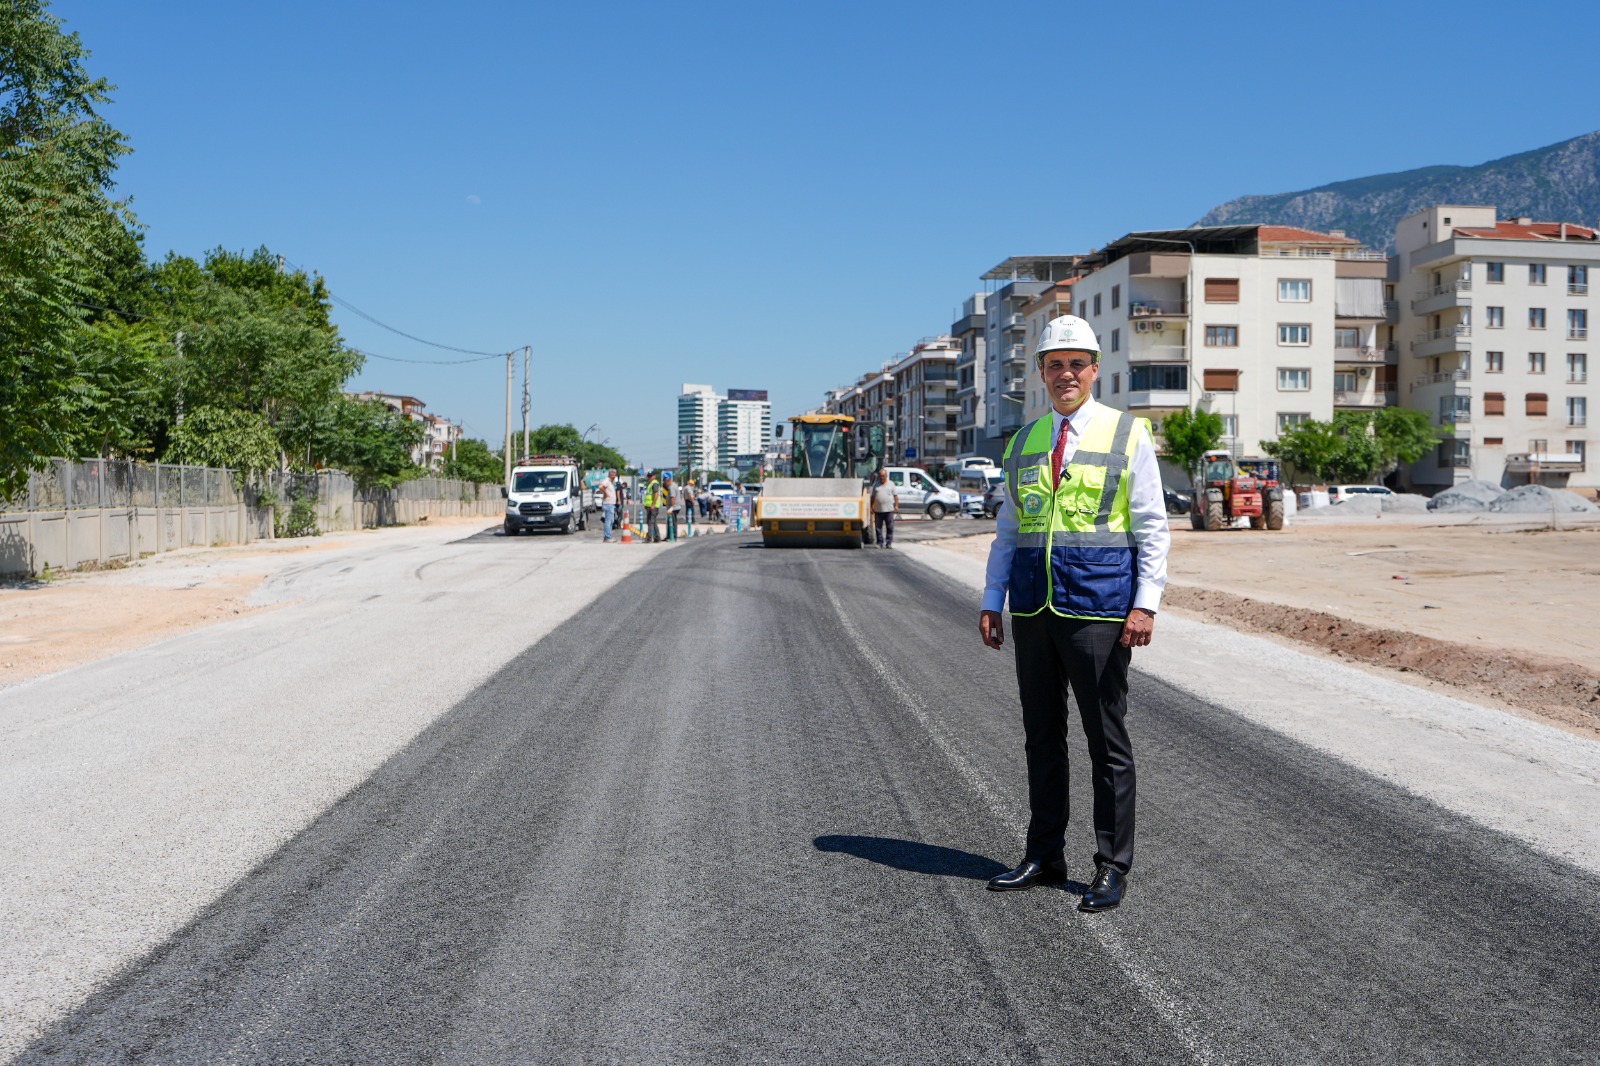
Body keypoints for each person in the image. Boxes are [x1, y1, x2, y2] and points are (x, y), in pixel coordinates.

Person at [979, 314, 1169, 913]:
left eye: (1076, 364)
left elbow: (1152, 527)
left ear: (1095, 370)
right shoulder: (1023, 442)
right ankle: (1044, 854)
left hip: (1100, 609)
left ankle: (1112, 866)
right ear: (1040, 372)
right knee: (1042, 737)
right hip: (1034, 607)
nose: (1066, 374)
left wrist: (1145, 604)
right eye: (1054, 364)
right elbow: (1009, 531)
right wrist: (992, 599)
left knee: (1106, 741)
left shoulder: (1127, 434)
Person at [868, 467, 898, 548]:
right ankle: (879, 542)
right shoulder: (876, 485)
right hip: (878, 510)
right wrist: (871, 507)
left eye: (883, 476)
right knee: (878, 528)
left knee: (890, 527)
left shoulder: (891, 484)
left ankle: (889, 543)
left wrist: (897, 506)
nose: (882, 477)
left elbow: (895, 496)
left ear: (886, 476)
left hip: (889, 510)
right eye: (881, 476)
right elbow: (873, 497)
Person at [597, 469, 618, 542]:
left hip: (611, 504)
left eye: (615, 474)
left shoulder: (611, 482)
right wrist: (606, 494)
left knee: (611, 521)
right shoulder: (607, 481)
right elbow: (601, 487)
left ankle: (609, 536)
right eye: (612, 473)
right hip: (608, 503)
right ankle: (607, 537)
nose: (614, 475)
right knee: (608, 521)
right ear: (609, 474)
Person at [643, 472, 664, 543]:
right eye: (648, 476)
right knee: (653, 522)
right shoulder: (651, 484)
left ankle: (649, 538)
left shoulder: (654, 483)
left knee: (650, 522)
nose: (649, 477)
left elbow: (656, 494)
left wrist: (653, 504)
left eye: (650, 476)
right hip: (650, 506)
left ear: (654, 476)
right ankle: (657, 538)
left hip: (653, 507)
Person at [663, 471, 679, 541]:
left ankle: (673, 536)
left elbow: (673, 498)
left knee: (672, 522)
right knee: (671, 522)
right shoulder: (674, 485)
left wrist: (671, 507)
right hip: (675, 507)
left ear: (668, 481)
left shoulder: (671, 487)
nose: (664, 483)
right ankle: (669, 536)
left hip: (674, 508)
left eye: (665, 482)